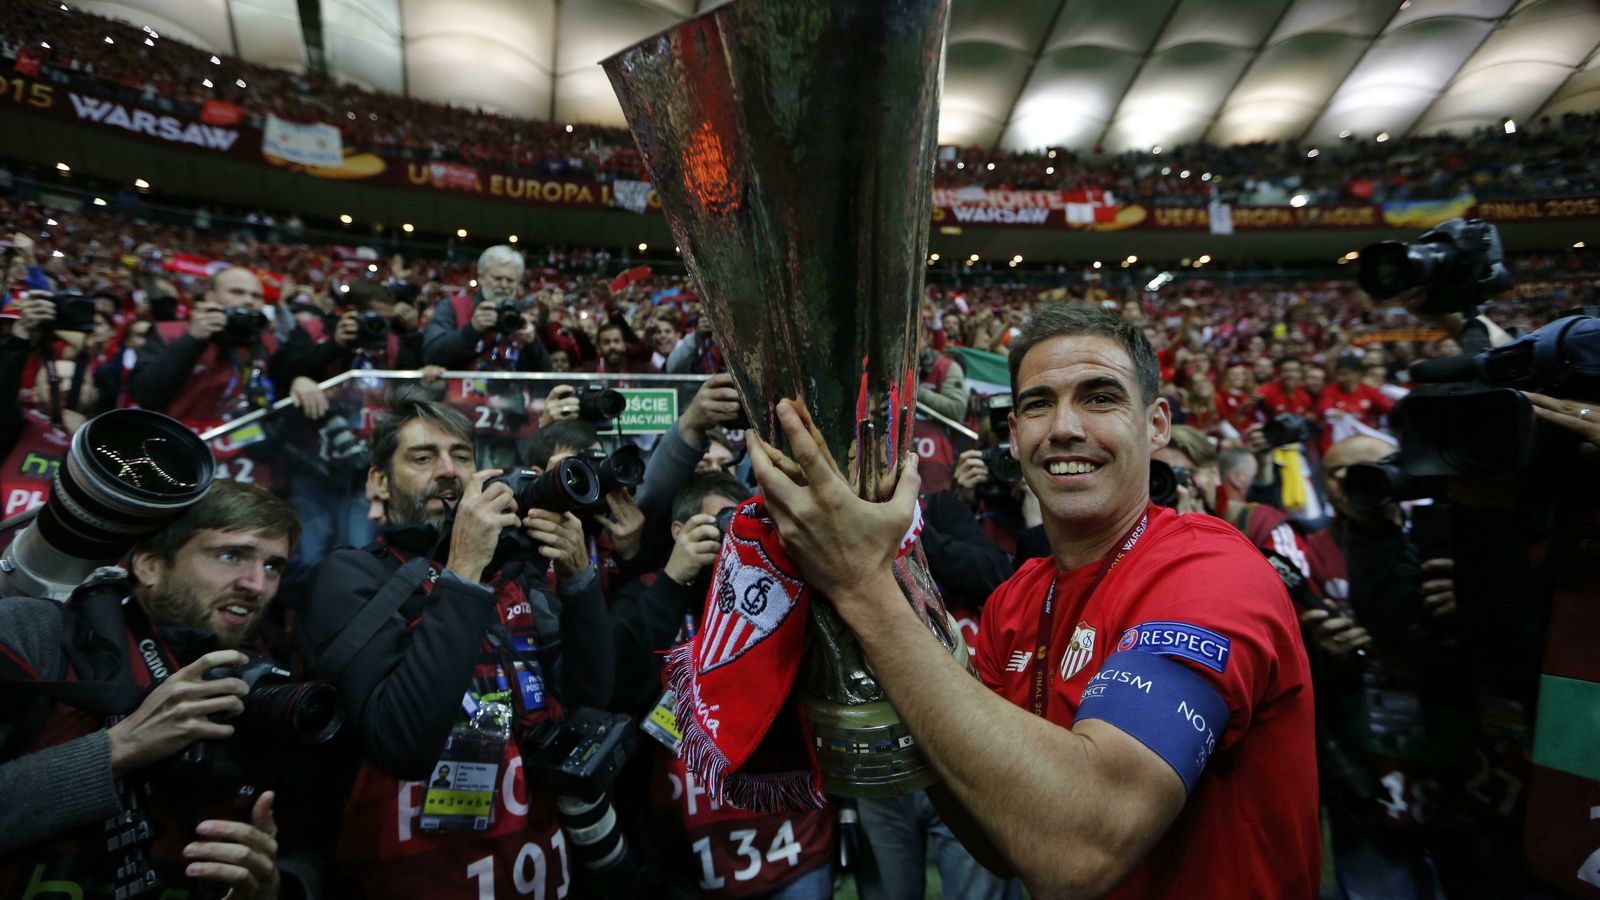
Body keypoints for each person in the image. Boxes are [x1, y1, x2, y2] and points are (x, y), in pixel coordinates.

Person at [745, 305, 1318, 897]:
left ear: (1157, 425)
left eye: (1099, 398)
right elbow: (1000, 837)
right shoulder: (1014, 602)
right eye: (1039, 404)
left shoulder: (1212, 571)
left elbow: (1080, 849)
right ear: (1014, 436)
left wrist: (864, 587)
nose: (1064, 427)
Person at [295, 399, 615, 898]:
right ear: (378, 481)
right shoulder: (349, 576)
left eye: (461, 456)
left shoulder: (513, 573)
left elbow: (590, 698)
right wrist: (462, 567)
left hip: (545, 873)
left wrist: (578, 579)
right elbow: (402, 741)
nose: (447, 472)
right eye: (422, 458)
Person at [0, 480, 301, 897]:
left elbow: (304, 856)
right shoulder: (34, 633)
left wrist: (268, 890)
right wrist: (119, 748)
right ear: (150, 565)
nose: (257, 585)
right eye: (231, 555)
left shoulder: (264, 692)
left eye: (274, 567)